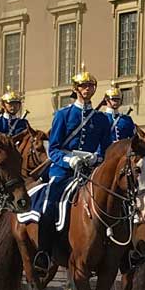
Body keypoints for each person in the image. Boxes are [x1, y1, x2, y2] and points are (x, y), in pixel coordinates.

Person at [28, 71, 112, 276]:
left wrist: (97, 158)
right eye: (84, 86)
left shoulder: (101, 119)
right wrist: (69, 159)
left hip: (90, 172)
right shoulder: (63, 115)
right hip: (64, 170)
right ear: (76, 89)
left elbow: (107, 149)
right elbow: (54, 148)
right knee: (51, 204)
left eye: (91, 86)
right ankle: (44, 253)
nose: (88, 89)